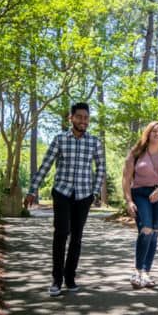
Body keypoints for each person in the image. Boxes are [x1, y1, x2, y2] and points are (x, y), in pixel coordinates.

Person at [23, 102, 106, 297]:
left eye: (86, 117)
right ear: (71, 118)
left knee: (76, 237)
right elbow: (45, 165)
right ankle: (56, 280)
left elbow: (101, 168)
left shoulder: (94, 142)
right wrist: (32, 190)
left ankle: (70, 278)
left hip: (84, 195)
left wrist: (94, 192)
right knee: (61, 234)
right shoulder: (60, 139)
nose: (83, 121)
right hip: (62, 192)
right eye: (79, 117)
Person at [122, 121, 158, 289]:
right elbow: (126, 178)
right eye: (154, 131)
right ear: (148, 133)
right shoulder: (136, 151)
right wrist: (129, 200)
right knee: (145, 230)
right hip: (140, 194)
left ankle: (146, 273)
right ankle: (137, 271)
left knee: (154, 233)